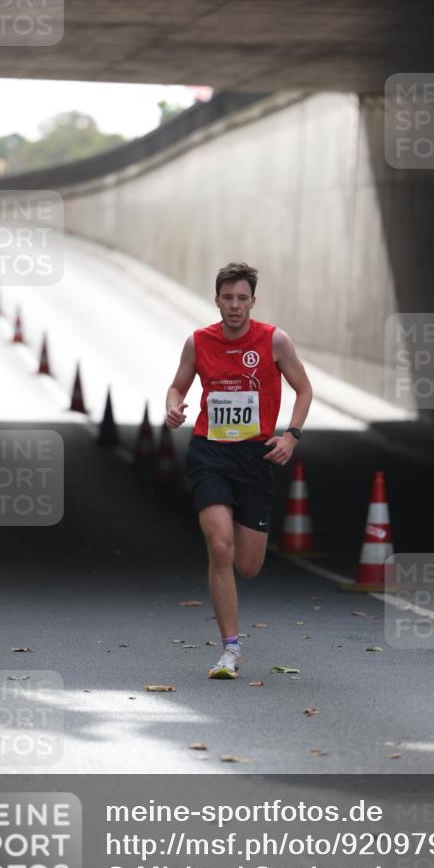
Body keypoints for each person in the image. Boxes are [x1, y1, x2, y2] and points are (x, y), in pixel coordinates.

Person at [165, 261, 313, 679]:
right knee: (221, 548)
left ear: (252, 301)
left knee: (248, 564)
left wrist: (291, 436)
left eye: (242, 299)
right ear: (217, 300)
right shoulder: (199, 342)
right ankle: (229, 648)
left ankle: (231, 642)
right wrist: (173, 406)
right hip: (209, 453)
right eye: (227, 298)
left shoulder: (274, 341)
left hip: (255, 458)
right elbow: (178, 384)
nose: (234, 306)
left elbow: (303, 389)